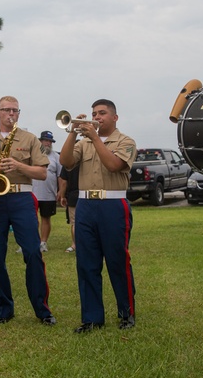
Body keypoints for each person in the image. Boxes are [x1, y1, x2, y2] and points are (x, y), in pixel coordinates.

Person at [0, 96, 56, 326]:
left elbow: (42, 173)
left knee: (33, 252)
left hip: (22, 197)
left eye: (15, 110)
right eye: (6, 110)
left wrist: (19, 166)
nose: (11, 114)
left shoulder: (30, 139)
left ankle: (42, 309)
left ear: (19, 113)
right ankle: (4, 307)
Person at [59, 99, 138, 332]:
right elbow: (65, 162)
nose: (97, 116)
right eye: (94, 113)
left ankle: (126, 313)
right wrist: (73, 133)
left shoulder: (126, 141)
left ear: (115, 117)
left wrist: (94, 138)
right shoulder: (83, 143)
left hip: (113, 205)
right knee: (86, 263)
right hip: (85, 204)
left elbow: (114, 165)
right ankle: (92, 318)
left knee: (117, 261)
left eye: (102, 113)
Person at [33, 130, 61, 253]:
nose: (48, 143)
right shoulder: (32, 154)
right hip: (32, 193)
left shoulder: (56, 157)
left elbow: (60, 176)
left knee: (46, 218)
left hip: (49, 194)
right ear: (40, 141)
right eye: (45, 140)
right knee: (31, 219)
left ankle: (43, 242)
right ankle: (29, 242)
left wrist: (61, 192)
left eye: (50, 141)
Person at [57, 164, 79, 252]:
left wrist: (62, 196)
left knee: (74, 223)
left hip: (73, 195)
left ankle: (74, 244)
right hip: (86, 195)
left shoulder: (68, 162)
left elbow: (63, 182)